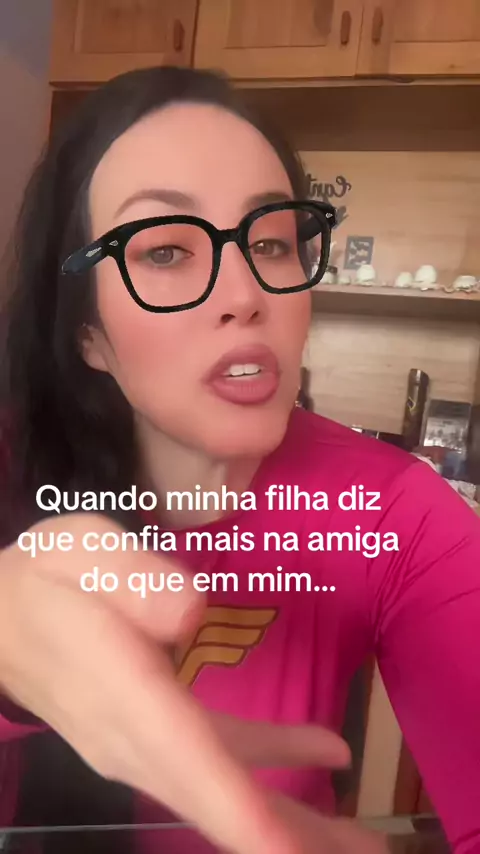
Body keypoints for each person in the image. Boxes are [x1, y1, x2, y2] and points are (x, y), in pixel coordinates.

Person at [0, 66, 478, 854]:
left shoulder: (394, 512)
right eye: (165, 251)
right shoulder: (15, 464)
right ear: (88, 335)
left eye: (270, 242)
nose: (244, 293)